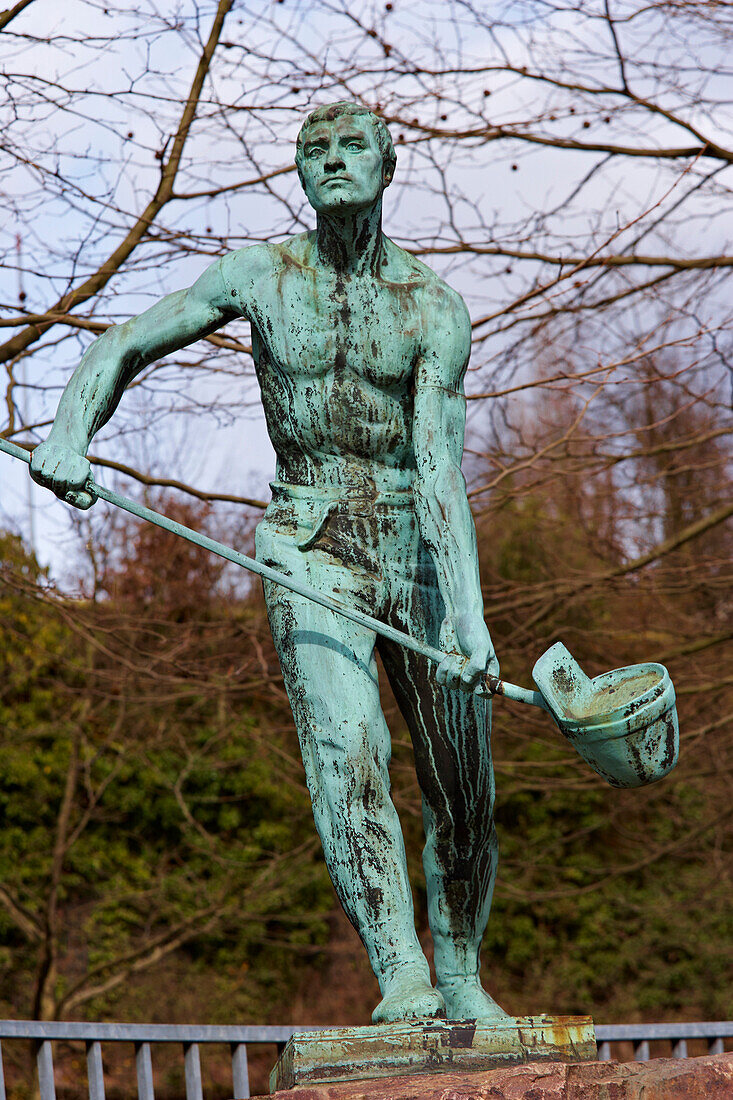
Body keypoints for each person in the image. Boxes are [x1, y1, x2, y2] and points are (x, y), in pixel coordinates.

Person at [30, 102, 508, 1025]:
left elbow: (442, 472)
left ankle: (459, 974)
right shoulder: (260, 275)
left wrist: (470, 619)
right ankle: (401, 970)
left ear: (386, 163)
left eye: (352, 146)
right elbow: (129, 340)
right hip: (308, 544)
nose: (333, 162)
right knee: (349, 752)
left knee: (465, 793)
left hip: (417, 553)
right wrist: (68, 429)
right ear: (297, 173)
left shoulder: (432, 308)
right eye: (313, 150)